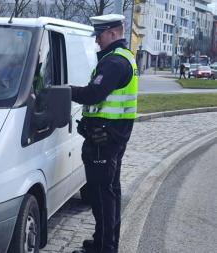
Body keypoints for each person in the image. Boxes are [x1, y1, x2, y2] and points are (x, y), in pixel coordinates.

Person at [71, 14, 138, 253]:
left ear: (112, 33)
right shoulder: (123, 57)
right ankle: (105, 242)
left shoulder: (114, 63)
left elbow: (93, 94)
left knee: (102, 196)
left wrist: (65, 90)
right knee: (110, 191)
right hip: (112, 137)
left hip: (104, 139)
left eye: (99, 35)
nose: (97, 41)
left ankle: (105, 248)